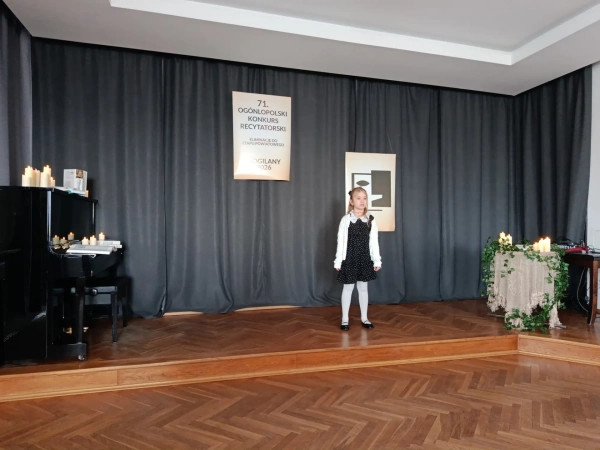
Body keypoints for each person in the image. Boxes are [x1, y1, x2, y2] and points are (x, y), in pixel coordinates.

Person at [334, 187, 382, 330]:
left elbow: (374, 241)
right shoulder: (346, 220)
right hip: (349, 258)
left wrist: (376, 259)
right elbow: (341, 241)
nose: (362, 201)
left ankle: (364, 318)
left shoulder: (370, 220)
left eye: (364, 198)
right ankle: (345, 319)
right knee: (348, 288)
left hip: (364, 258)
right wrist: (338, 261)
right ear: (352, 201)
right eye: (358, 198)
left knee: (363, 288)